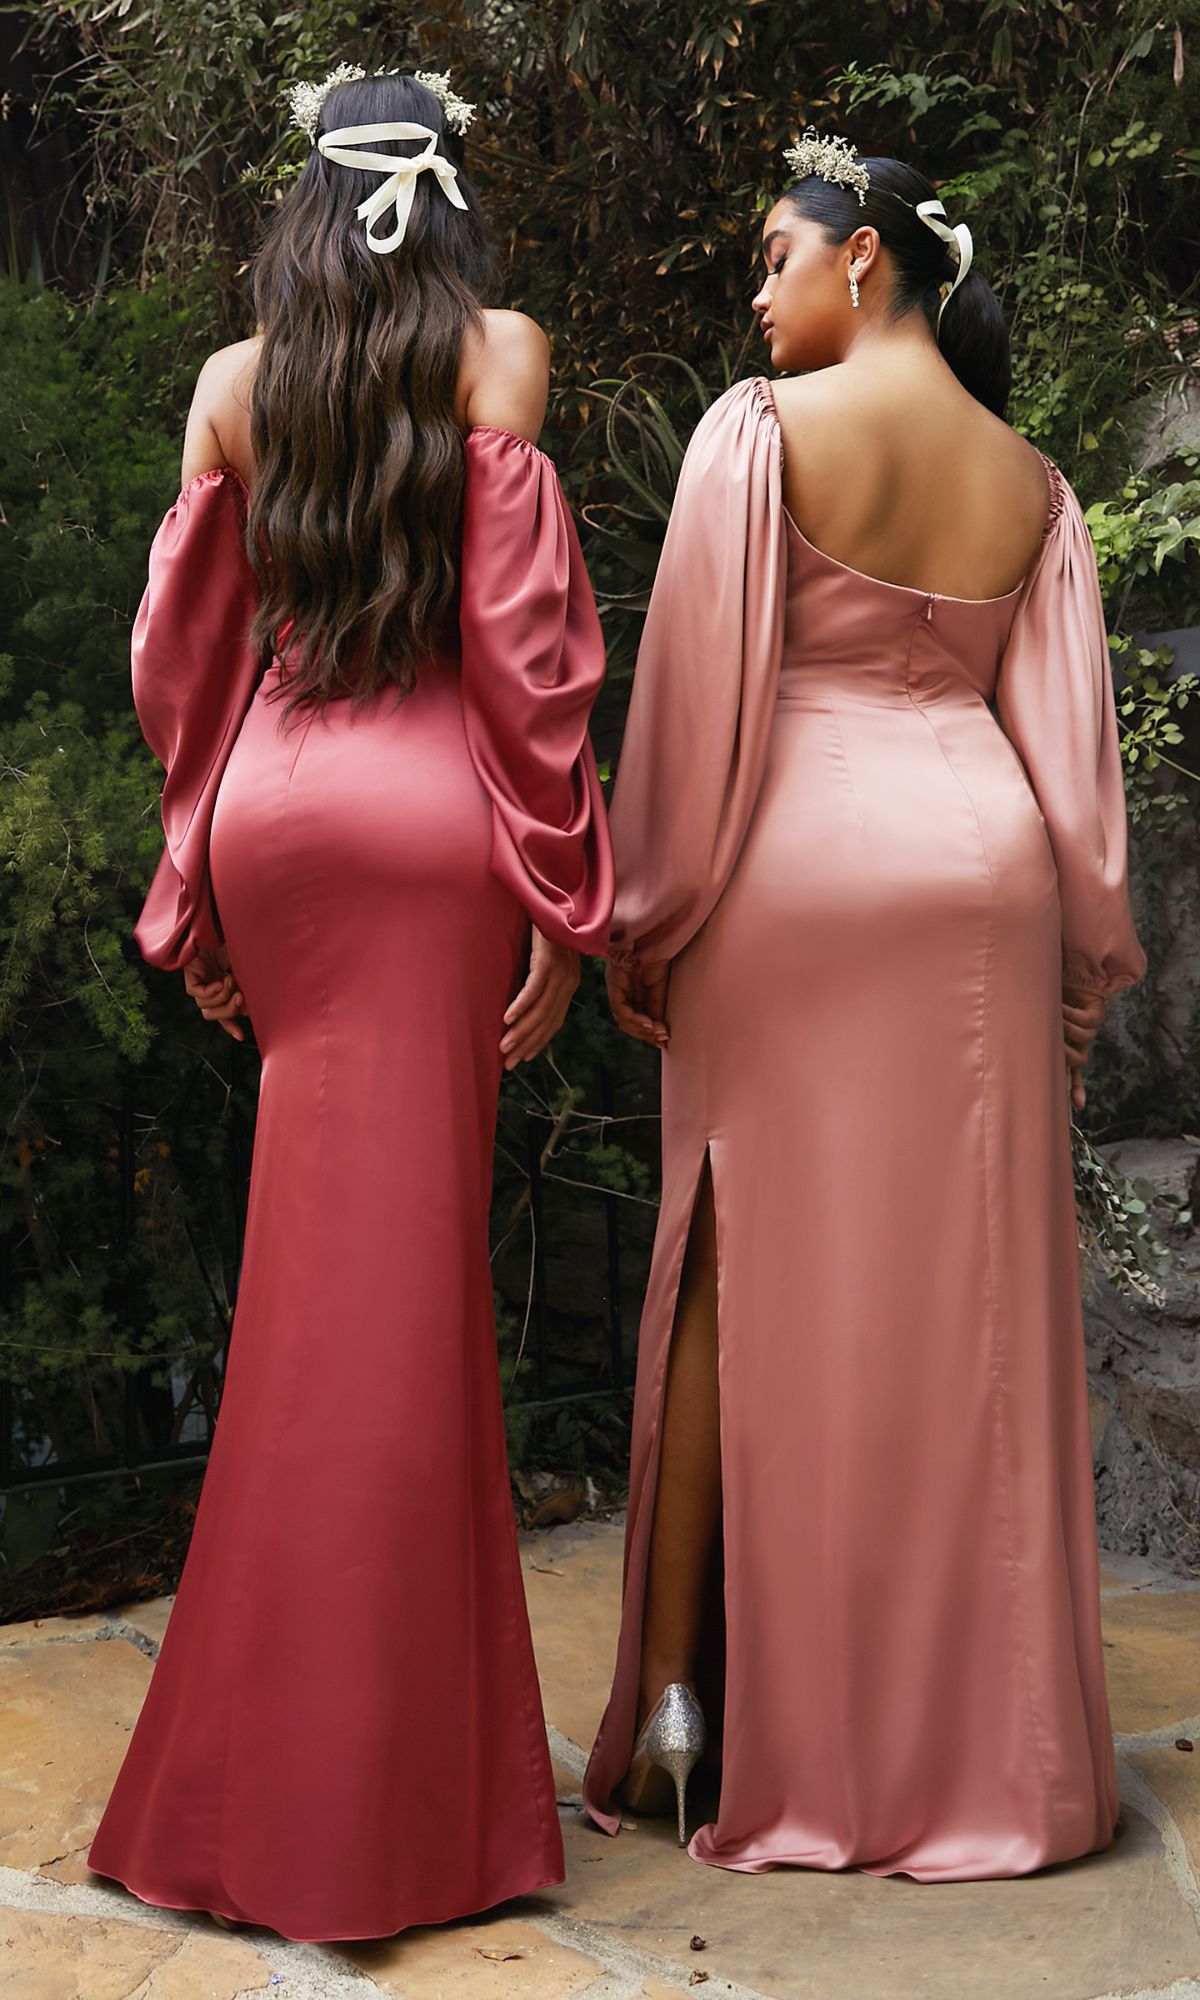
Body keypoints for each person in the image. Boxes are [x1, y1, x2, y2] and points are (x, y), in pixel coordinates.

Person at [581, 130, 1146, 1882]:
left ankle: (686, 1701)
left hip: (795, 879)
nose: (757, 291)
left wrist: (643, 921)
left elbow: (694, 696)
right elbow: (1074, 762)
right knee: (966, 1310)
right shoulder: (1032, 486)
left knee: (733, 1269)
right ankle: (997, 1751)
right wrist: (1083, 959)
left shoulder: (762, 440)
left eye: (775, 256)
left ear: (869, 261)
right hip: (983, 882)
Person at [86, 65, 613, 1942]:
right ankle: (388, 1801)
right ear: (448, 198)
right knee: (407, 1295)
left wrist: (198, 879)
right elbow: (525, 658)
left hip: (284, 825)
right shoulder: (502, 357)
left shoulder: (234, 388)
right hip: (431, 827)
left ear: (300, 204)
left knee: (317, 1289)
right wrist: (565, 892)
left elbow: (187, 662)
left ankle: (268, 1773)